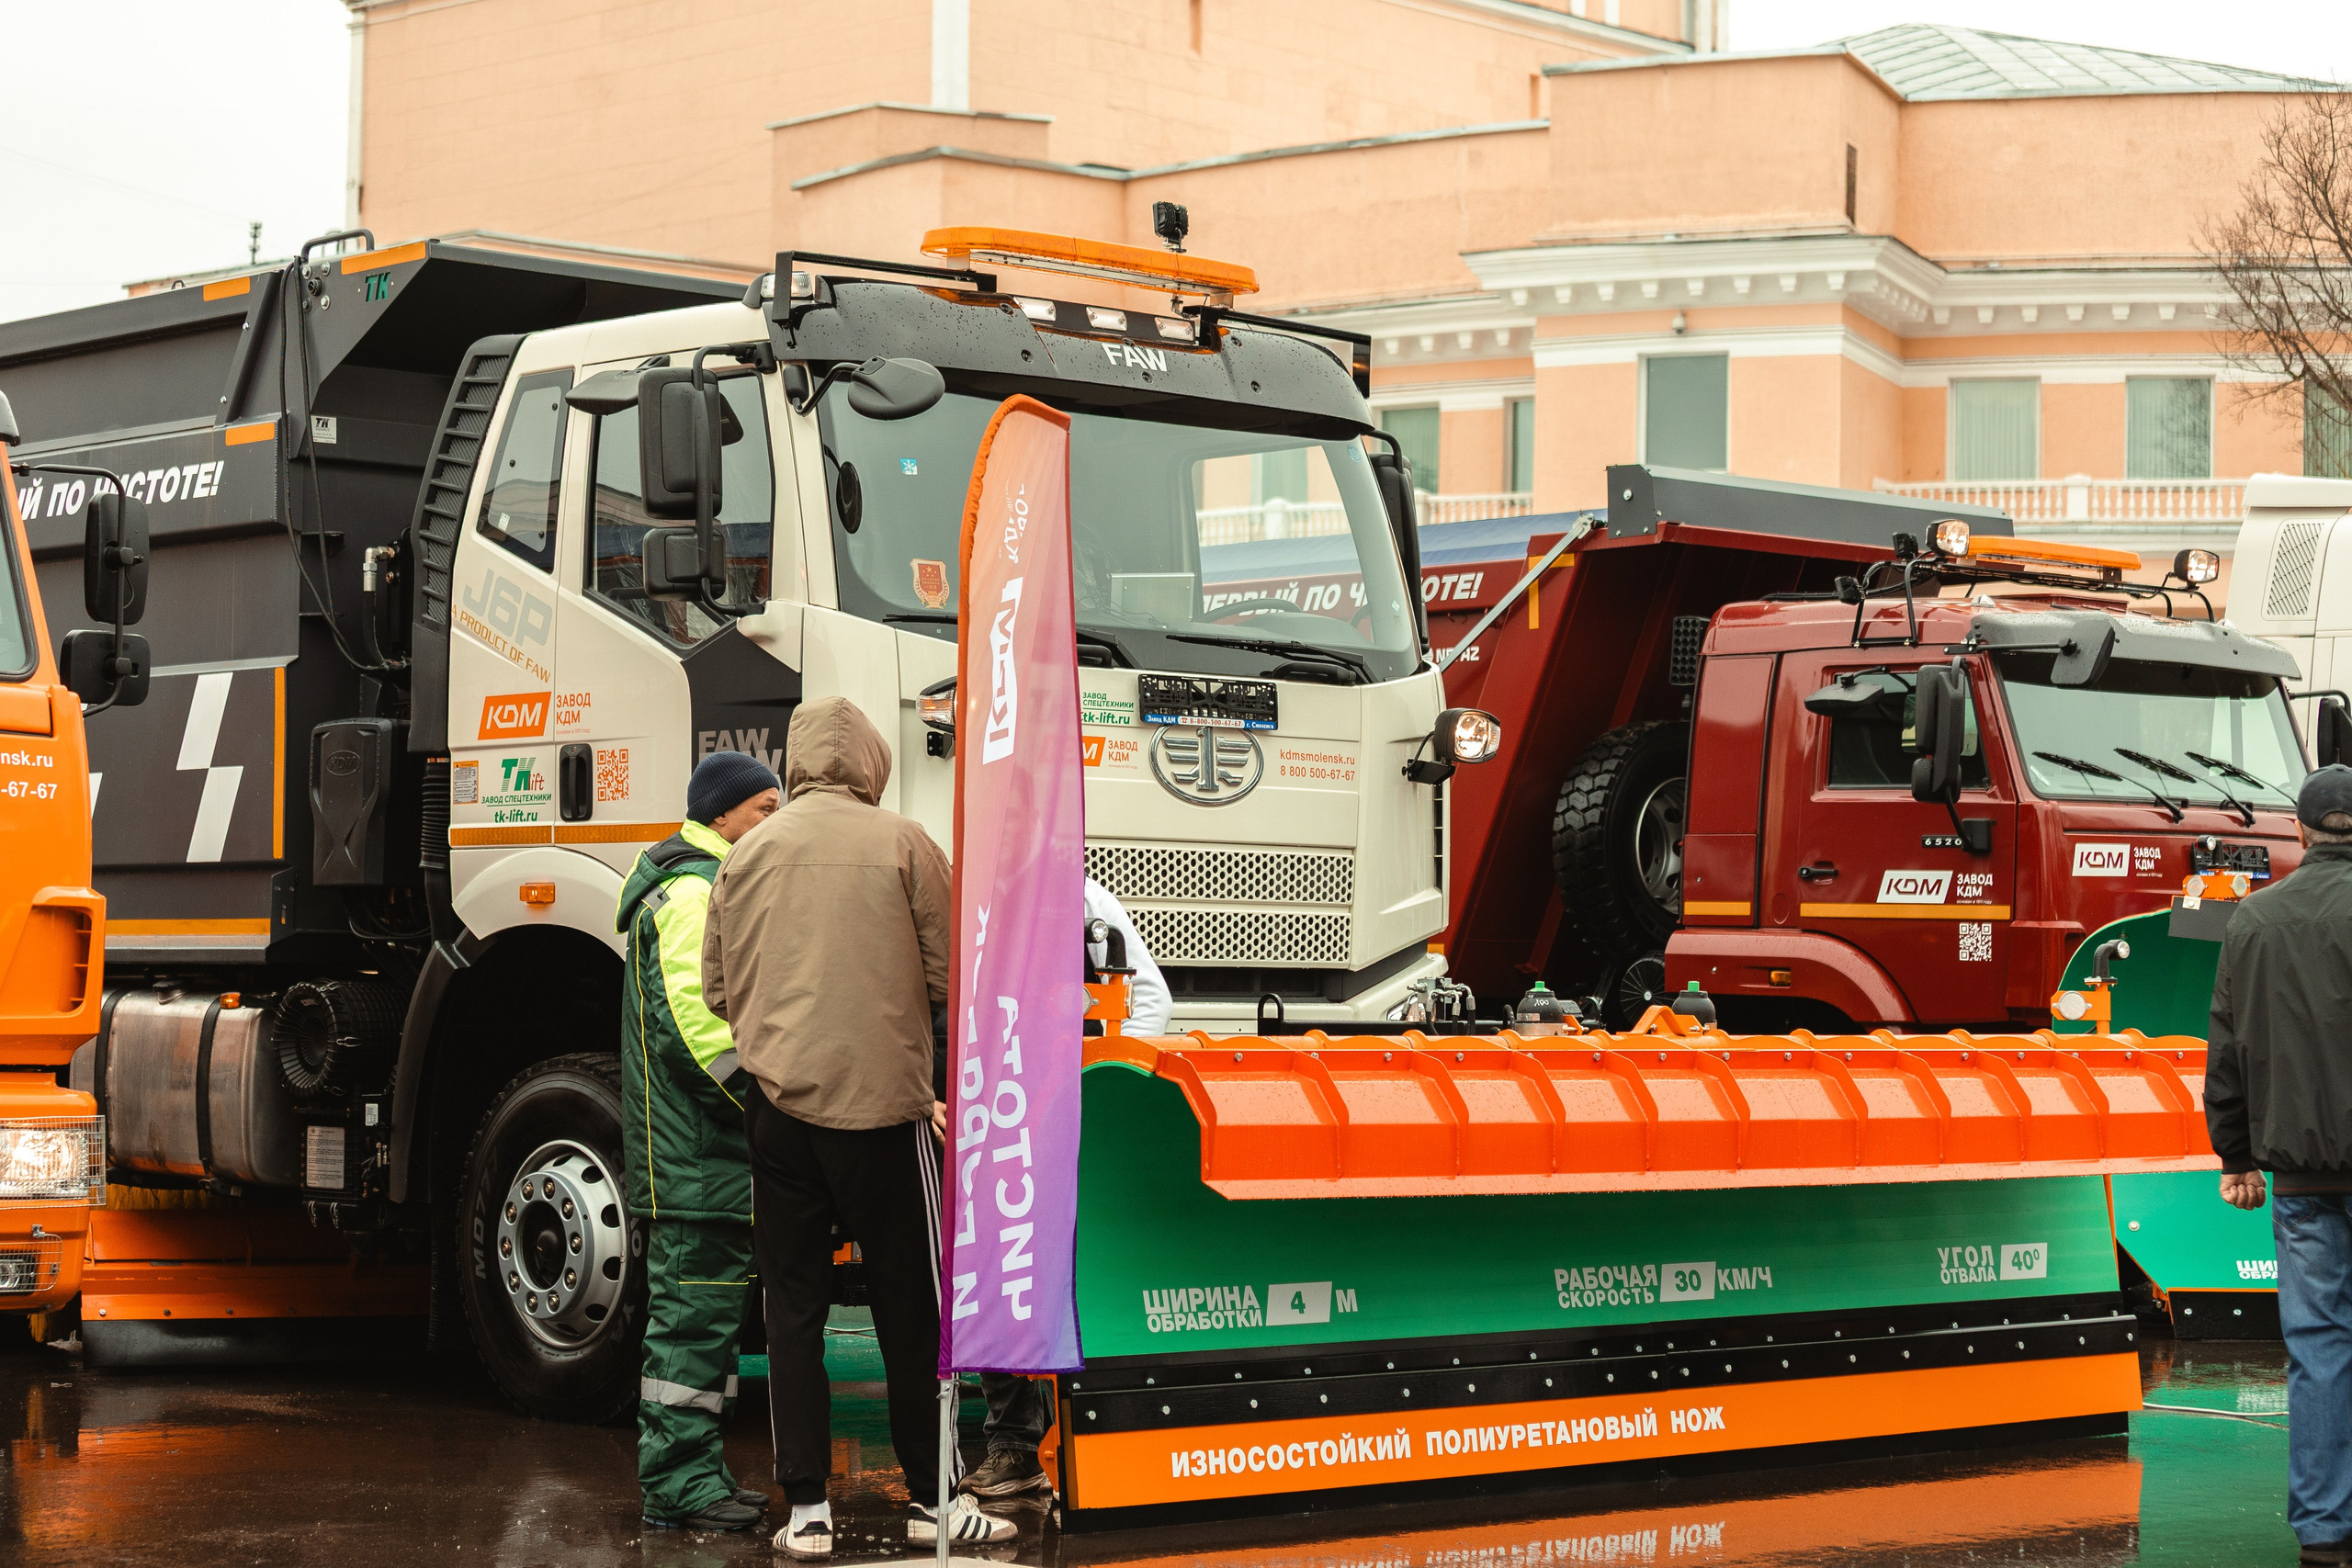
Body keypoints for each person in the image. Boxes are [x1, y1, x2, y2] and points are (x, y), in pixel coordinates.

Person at [701, 698, 1016, 1558]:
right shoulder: (906, 842)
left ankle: (805, 1509)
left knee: (792, 1307)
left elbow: (719, 992)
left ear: (796, 761)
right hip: (882, 1113)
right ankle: (932, 1499)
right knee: (913, 1307)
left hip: (776, 1114)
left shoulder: (747, 853)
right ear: (873, 761)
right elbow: (952, 975)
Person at [959, 878, 1171, 1509]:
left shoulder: (1081, 900)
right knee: (1003, 1270)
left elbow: (1149, 999)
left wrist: (1098, 1083)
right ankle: (1018, 1448)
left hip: (1053, 1116)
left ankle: (1056, 1443)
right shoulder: (969, 892)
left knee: (1055, 1274)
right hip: (993, 1114)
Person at [618, 750, 782, 1532]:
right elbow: (700, 1032)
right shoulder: (691, 893)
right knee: (689, 1329)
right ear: (720, 815)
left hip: (702, 1162)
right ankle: (676, 1486)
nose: (772, 825)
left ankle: (697, 1475)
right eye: (762, 812)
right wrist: (771, 1101)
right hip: (699, 1163)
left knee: (707, 1333)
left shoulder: (701, 885)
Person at [2208, 762, 2352, 1568]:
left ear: (2298, 832)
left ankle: (2326, 1534)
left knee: (2320, 1349)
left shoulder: (2255, 920)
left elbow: (2227, 1045)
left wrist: (2236, 1153)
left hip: (2300, 1178)